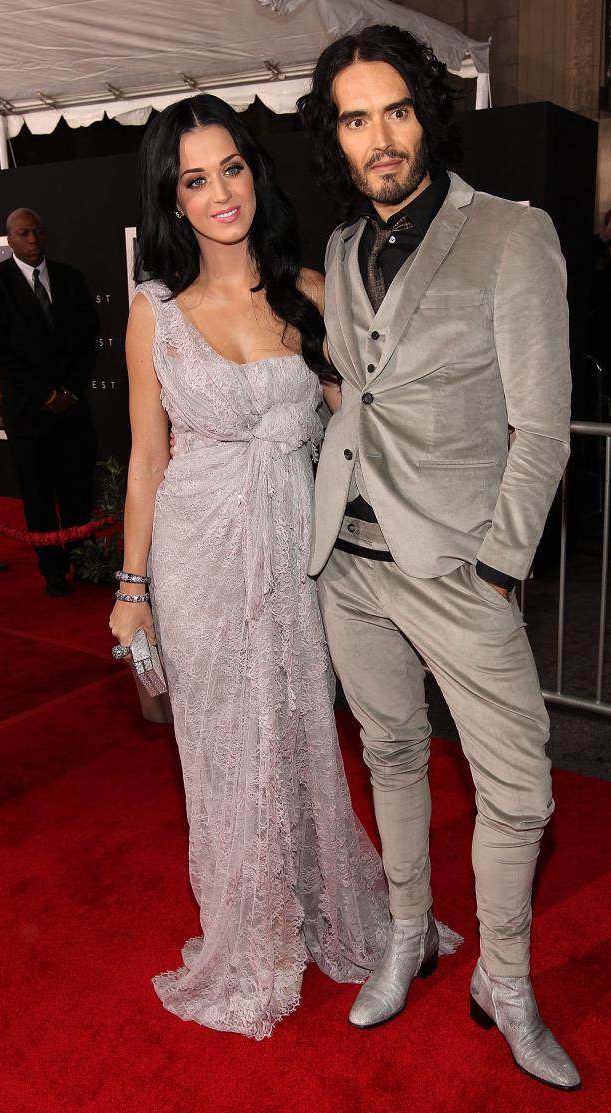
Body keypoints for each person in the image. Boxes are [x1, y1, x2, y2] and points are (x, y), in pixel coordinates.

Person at [298, 24, 580, 1090]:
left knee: (521, 792)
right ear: (337, 136)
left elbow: (543, 427)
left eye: (398, 110)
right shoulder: (337, 247)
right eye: (357, 117)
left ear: (427, 113)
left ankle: (502, 980)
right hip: (352, 566)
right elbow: (357, 392)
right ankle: (408, 930)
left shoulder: (512, 235)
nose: (382, 137)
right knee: (392, 753)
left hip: (459, 570)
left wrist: (501, 566)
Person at [109, 94, 403, 1040]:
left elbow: (363, 419)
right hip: (198, 565)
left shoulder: (311, 293)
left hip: (294, 559)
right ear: (173, 200)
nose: (219, 192)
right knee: (226, 749)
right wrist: (130, 587)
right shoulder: (154, 314)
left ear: (254, 173)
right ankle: (248, 932)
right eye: (194, 179)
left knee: (301, 732)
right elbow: (148, 459)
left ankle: (315, 904)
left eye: (230, 168)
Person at [0, 209, 98, 597]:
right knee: (39, 495)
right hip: (28, 412)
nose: (32, 240)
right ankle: (53, 569)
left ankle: (84, 561)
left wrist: (69, 393)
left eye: (38, 232)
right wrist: (45, 395)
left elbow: (88, 341)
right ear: (9, 240)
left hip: (74, 409)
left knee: (77, 489)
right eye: (24, 233)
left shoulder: (72, 279)